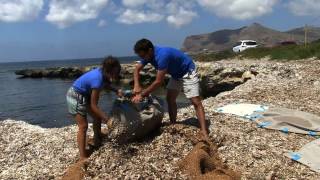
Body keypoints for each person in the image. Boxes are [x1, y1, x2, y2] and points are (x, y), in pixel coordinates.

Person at [131, 39, 208, 137]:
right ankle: (173, 124)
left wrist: (142, 94)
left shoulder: (162, 56)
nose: (142, 58)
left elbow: (158, 82)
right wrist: (136, 85)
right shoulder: (148, 55)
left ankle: (204, 131)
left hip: (188, 71)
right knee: (170, 99)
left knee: (195, 101)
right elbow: (137, 69)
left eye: (142, 56)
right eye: (140, 56)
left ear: (150, 50)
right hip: (176, 74)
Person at [66, 56, 123, 160]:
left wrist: (116, 90)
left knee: (97, 117)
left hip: (85, 94)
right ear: (107, 70)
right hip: (75, 96)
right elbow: (94, 105)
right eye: (113, 74)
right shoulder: (97, 79)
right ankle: (83, 156)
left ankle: (98, 137)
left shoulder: (102, 73)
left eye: (116, 73)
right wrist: (108, 120)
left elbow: (105, 84)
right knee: (83, 126)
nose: (115, 76)